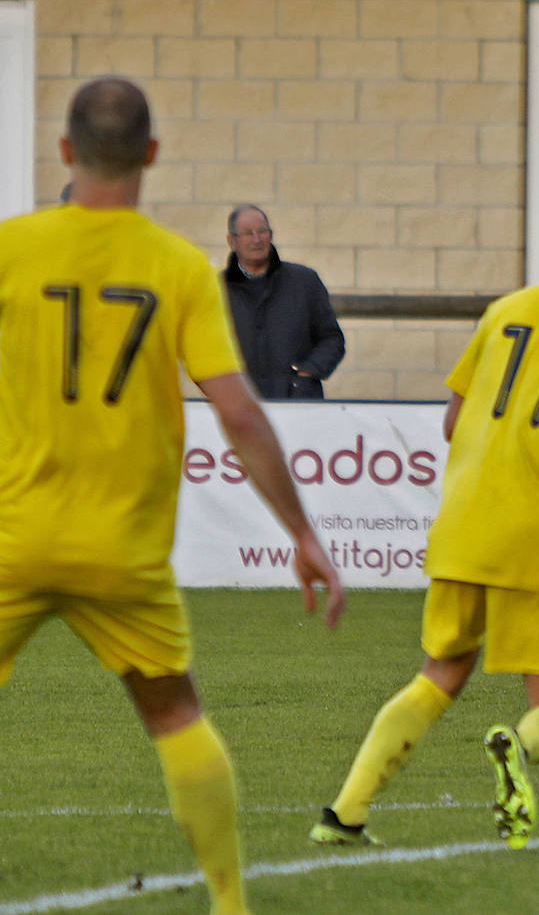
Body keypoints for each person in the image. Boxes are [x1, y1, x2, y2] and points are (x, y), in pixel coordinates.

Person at [0, 78, 346, 914]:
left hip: (11, 535)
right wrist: (302, 531)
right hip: (122, 549)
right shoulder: (175, 269)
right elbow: (239, 412)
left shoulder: (12, 248)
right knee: (177, 718)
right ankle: (229, 903)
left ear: (65, 154)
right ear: (152, 155)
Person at [309, 175, 539, 850]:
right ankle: (515, 755)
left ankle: (346, 814)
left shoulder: (507, 310)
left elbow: (451, 421)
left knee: (439, 672)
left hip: (464, 522)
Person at [223, 204, 345, 399]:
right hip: (241, 408)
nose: (257, 239)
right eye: (248, 233)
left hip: (299, 407)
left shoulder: (305, 281)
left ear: (270, 235)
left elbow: (332, 339)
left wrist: (306, 373)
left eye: (262, 231)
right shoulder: (216, 290)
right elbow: (197, 350)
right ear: (232, 241)